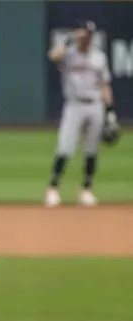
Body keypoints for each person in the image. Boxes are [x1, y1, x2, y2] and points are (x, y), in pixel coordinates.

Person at [45, 19, 118, 207]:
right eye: (84, 34)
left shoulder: (99, 57)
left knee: (92, 149)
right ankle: (53, 189)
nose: (87, 38)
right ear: (78, 34)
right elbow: (53, 56)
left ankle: (86, 189)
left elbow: (105, 85)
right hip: (74, 106)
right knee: (65, 147)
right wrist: (69, 40)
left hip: (95, 106)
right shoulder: (69, 54)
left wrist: (110, 112)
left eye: (89, 35)